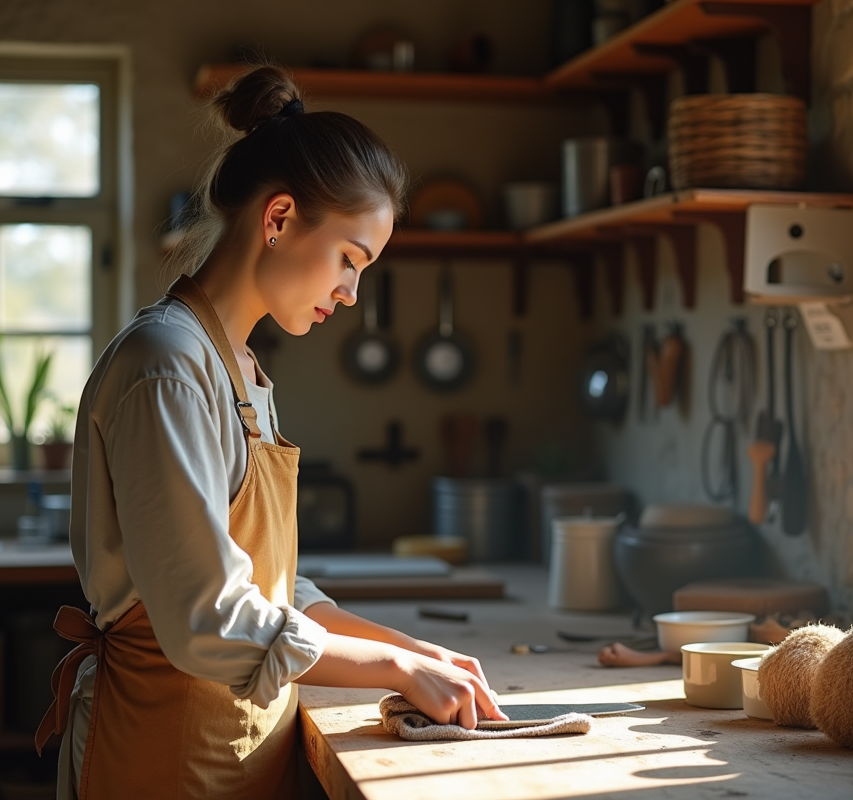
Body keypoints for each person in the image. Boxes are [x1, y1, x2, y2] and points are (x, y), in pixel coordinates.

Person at [33, 64, 506, 800]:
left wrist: (412, 649)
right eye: (350, 259)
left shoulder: (237, 368)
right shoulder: (167, 367)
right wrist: (393, 671)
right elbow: (209, 620)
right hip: (159, 754)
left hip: (232, 748)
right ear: (280, 219)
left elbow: (268, 588)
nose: (351, 292)